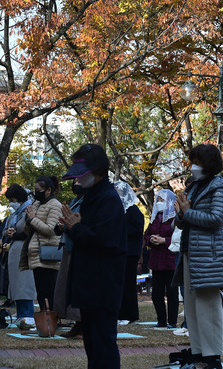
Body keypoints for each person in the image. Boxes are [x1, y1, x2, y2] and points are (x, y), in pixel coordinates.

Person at [59, 144, 127, 369]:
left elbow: (105, 240)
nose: (76, 181)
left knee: (102, 344)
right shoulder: (93, 197)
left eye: (80, 175)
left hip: (102, 286)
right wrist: (73, 226)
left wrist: (76, 228)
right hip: (91, 285)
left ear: (97, 172)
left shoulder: (107, 198)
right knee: (93, 344)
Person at [173, 144, 223, 369]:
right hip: (190, 252)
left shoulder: (220, 186)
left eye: (196, 162)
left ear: (208, 163)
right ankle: (198, 355)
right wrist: (181, 212)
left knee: (208, 308)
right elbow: (181, 221)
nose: (193, 166)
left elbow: (217, 218)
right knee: (192, 307)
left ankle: (212, 357)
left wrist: (188, 212)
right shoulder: (194, 186)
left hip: (209, 254)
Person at [19, 175, 62, 315]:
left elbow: (50, 230)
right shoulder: (37, 204)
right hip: (35, 253)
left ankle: (51, 322)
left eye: (39, 190)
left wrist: (33, 218)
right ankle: (44, 322)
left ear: (48, 190)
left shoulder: (55, 205)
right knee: (41, 291)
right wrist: (28, 220)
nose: (36, 193)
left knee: (48, 291)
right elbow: (29, 230)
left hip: (47, 254)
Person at [53, 182, 85, 338]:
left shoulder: (91, 201)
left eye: (80, 181)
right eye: (75, 181)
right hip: (68, 246)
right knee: (65, 286)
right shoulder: (75, 200)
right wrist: (61, 226)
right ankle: (76, 324)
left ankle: (82, 324)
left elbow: (80, 224)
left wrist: (71, 224)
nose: (77, 184)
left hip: (80, 248)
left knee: (77, 286)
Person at [2, 185, 36, 326]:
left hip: (24, 249)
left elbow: (30, 229)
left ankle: (27, 314)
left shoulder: (29, 209)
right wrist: (8, 233)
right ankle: (21, 313)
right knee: (16, 284)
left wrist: (15, 234)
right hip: (14, 250)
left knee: (25, 284)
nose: (11, 202)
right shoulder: (14, 214)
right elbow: (5, 230)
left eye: (13, 199)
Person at [145, 189, 179, 329]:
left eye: (162, 200)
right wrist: (151, 239)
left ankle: (172, 321)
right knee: (156, 293)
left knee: (171, 293)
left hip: (170, 261)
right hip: (156, 261)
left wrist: (164, 240)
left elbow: (179, 238)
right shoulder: (155, 218)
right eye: (157, 200)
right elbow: (146, 234)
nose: (159, 203)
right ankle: (161, 320)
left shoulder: (175, 218)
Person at [114, 181, 144, 325]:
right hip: (118, 252)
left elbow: (137, 232)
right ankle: (119, 313)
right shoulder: (117, 210)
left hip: (130, 254)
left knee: (128, 285)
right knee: (118, 284)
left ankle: (129, 314)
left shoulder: (134, 212)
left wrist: (119, 230)